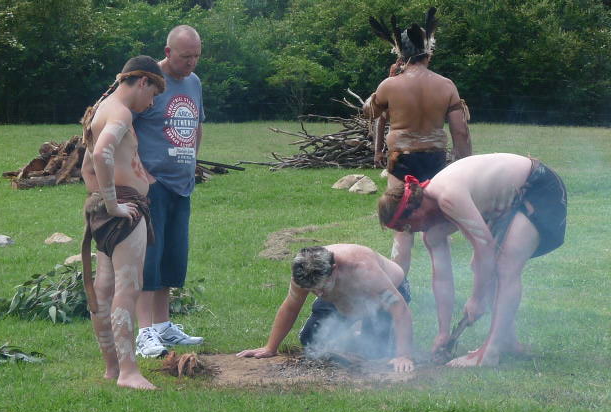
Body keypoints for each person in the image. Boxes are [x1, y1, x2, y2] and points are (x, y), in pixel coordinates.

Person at [377, 153, 567, 366]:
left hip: (538, 186)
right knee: (485, 268)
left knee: (505, 266)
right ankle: (506, 341)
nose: (410, 232)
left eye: (406, 226)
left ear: (416, 210)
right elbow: (442, 278)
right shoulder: (432, 231)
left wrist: (477, 299)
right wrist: (443, 332)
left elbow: (484, 249)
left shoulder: (448, 196)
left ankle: (490, 353)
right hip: (510, 203)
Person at [366, 8, 472, 282]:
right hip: (436, 162)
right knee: (437, 233)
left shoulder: (390, 85)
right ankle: (443, 293)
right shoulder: (446, 85)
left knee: (403, 233)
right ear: (428, 52)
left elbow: (369, 113)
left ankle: (397, 292)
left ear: (401, 54)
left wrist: (384, 83)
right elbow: (460, 131)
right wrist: (465, 164)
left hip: (401, 161)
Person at [80, 55, 166, 389]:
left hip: (107, 209)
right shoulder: (120, 112)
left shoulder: (100, 108)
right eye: (153, 93)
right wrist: (115, 204)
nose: (152, 102)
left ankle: (112, 368)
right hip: (124, 211)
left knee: (103, 289)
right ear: (142, 81)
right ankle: (129, 372)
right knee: (126, 288)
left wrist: (101, 200)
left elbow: (88, 166)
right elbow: (102, 154)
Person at [132, 25, 205, 358]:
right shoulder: (147, 81)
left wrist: (194, 164)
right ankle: (144, 331)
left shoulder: (194, 83)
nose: (191, 63)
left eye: (196, 56)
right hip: (153, 185)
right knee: (149, 256)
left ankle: (163, 326)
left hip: (181, 183)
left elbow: (197, 124)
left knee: (173, 257)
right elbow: (123, 126)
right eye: (185, 56)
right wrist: (140, 173)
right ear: (167, 52)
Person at [237, 244, 415, 373]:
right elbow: (291, 307)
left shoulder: (364, 270)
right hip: (339, 299)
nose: (318, 294)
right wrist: (271, 347)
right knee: (311, 341)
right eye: (313, 291)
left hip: (382, 297)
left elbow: (399, 309)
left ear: (334, 269)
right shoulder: (303, 275)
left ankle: (363, 335)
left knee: (378, 351)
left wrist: (403, 355)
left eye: (321, 288)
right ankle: (354, 336)